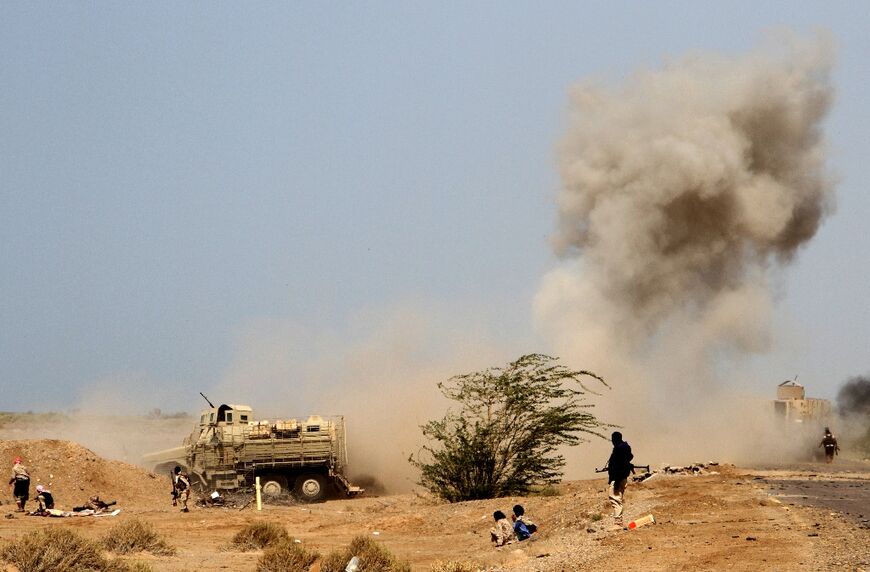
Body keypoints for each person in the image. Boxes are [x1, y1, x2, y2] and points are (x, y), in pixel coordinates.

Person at [605, 431, 634, 529]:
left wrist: (616, 480)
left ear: (614, 439)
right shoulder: (626, 448)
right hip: (623, 478)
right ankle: (619, 522)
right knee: (618, 499)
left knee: (615, 499)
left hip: (618, 478)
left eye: (613, 439)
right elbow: (629, 458)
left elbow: (618, 466)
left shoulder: (618, 449)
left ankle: (618, 523)